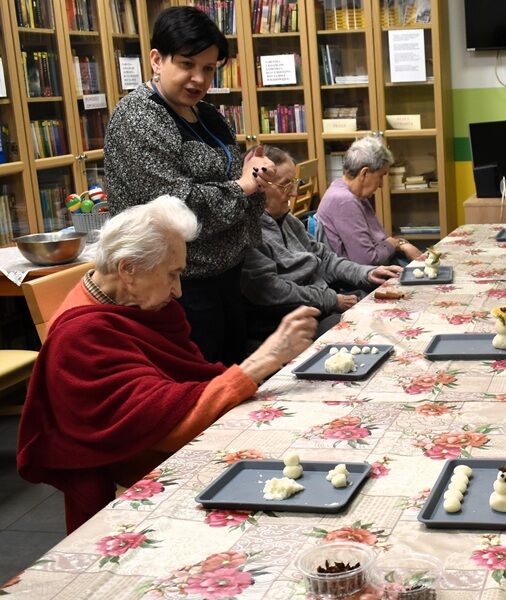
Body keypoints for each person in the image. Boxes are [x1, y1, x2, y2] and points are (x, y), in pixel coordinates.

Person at [16, 196, 318, 533]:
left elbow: (180, 386)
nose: (177, 292)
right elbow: (167, 427)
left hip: (177, 441)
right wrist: (263, 361)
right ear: (128, 269)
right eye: (172, 275)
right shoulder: (80, 337)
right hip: (150, 467)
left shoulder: (139, 303)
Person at [104, 6, 276, 365]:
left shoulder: (208, 114)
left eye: (209, 68)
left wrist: (254, 171)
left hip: (227, 274)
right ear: (156, 59)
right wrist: (243, 188)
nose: (198, 78)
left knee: (231, 376)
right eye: (186, 64)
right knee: (197, 388)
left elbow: (237, 173)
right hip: (176, 286)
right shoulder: (138, 117)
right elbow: (175, 206)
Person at [241, 147, 402, 339]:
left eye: (294, 183)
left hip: (321, 307)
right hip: (291, 324)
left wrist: (367, 273)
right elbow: (271, 290)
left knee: (392, 317)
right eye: (285, 185)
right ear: (258, 187)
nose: (294, 193)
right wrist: (331, 300)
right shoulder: (249, 232)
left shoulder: (288, 221)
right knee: (376, 330)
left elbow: (325, 258)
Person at [315, 135, 422, 265]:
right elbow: (368, 260)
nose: (382, 185)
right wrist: (393, 244)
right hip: (361, 279)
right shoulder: (344, 200)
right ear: (364, 173)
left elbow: (381, 240)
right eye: (381, 176)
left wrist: (401, 244)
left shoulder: (353, 192)